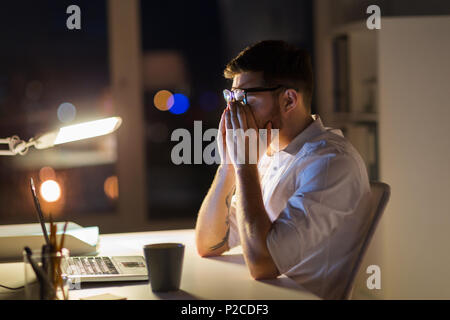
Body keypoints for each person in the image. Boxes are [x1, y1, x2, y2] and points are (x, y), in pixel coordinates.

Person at [194, 40, 371, 300]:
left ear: (288, 100)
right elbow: (208, 244)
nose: (233, 110)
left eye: (244, 98)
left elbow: (262, 265)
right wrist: (228, 165)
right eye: (230, 98)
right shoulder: (269, 153)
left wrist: (245, 164)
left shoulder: (330, 163)